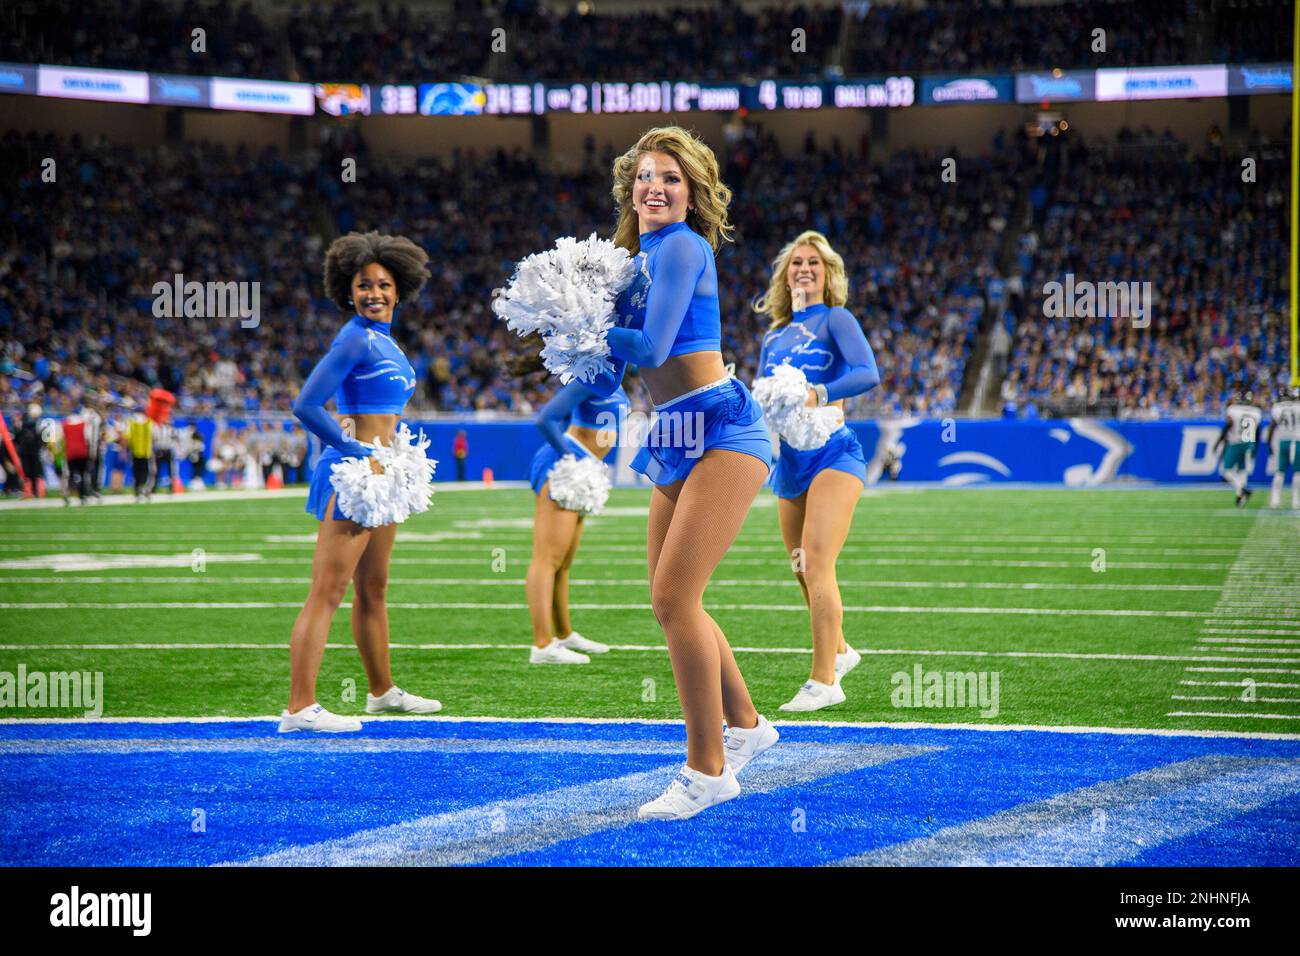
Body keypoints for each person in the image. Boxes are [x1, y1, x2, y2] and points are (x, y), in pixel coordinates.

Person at [586, 126, 779, 819]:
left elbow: (655, 344)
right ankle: (750, 728)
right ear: (628, 189)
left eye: (670, 177)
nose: (654, 187)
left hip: (723, 425)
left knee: (674, 598)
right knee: (671, 601)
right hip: (674, 430)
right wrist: (572, 340)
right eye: (644, 176)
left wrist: (581, 320)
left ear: (692, 193)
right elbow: (619, 365)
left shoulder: (684, 246)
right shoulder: (630, 253)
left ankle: (708, 770)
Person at [284, 231, 442, 733]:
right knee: (327, 591)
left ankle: (380, 692)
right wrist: (353, 449)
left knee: (373, 588)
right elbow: (307, 403)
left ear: (400, 290)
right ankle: (299, 708)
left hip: (385, 475)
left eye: (383, 285)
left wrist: (385, 457)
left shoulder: (384, 339)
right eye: (363, 286)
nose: (374, 293)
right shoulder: (353, 336)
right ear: (347, 292)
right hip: (354, 478)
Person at [754, 230, 880, 712]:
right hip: (789, 460)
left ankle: (824, 680)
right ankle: (842, 650)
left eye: (814, 263)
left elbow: (867, 372)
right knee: (801, 568)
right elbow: (763, 401)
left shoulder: (837, 318)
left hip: (833, 453)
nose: (804, 269)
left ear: (828, 274)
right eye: (796, 263)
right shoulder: (773, 337)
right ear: (785, 277)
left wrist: (817, 394)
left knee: (818, 559)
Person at [524, 378, 629, 664]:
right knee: (547, 559)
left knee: (564, 562)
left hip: (586, 468)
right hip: (565, 466)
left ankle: (564, 634)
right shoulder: (591, 376)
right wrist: (573, 458)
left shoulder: (613, 377)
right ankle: (542, 645)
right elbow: (546, 419)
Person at [1214, 390, 1263, 507]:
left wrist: (1218, 441)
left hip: (1235, 442)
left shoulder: (1233, 410)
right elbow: (1257, 432)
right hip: (1248, 442)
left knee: (1226, 471)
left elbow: (1228, 425)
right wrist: (1255, 446)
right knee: (1242, 470)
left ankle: (1242, 489)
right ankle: (1240, 497)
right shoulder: (1256, 412)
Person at [1266, 385, 1300, 509]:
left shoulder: (1277, 408)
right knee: (1298, 472)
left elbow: (1272, 427)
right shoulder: (1297, 406)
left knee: (1280, 472)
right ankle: (1296, 501)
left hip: (1283, 441)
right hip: (1296, 441)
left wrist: (1269, 443)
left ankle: (1275, 500)